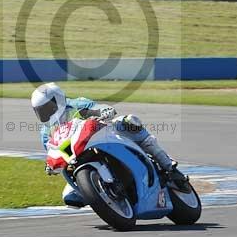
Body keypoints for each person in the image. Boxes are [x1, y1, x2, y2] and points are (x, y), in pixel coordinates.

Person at [31, 82, 186, 207]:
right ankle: (103, 197)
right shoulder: (46, 132)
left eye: (47, 108)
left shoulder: (76, 104)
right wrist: (50, 165)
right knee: (69, 198)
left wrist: (103, 111)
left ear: (57, 100)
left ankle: (168, 166)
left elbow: (97, 108)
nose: (44, 113)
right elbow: (53, 151)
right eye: (40, 111)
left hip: (100, 136)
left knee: (129, 121)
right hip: (77, 158)